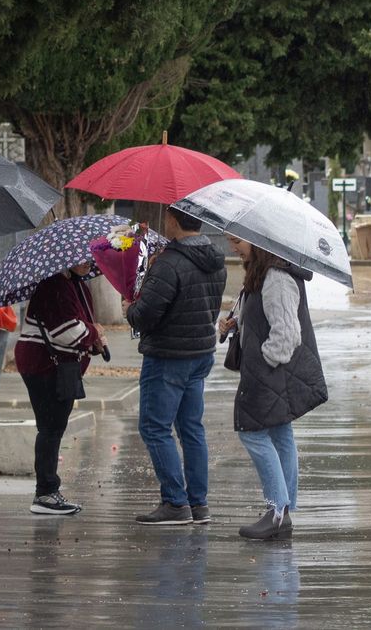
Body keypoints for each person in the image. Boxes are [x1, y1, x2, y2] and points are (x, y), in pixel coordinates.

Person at [124, 206, 228, 526]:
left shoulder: (170, 264)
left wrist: (130, 307)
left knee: (155, 428)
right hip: (200, 354)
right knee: (191, 429)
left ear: (172, 219)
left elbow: (145, 315)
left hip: (168, 356)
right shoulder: (216, 260)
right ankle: (198, 504)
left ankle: (174, 502)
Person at [219, 236, 327, 541]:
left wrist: (264, 361)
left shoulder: (277, 278)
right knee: (280, 434)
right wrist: (235, 323)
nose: (233, 247)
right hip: (271, 372)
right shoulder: (264, 273)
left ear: (259, 243)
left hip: (268, 373)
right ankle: (283, 512)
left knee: (252, 433)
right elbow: (263, 317)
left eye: (237, 241)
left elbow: (287, 333)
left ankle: (277, 510)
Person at [14, 262, 106, 515]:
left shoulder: (75, 285)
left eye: (89, 257)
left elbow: (80, 327)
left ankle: (47, 491)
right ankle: (45, 493)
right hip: (44, 365)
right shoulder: (54, 285)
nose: (86, 262)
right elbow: (67, 332)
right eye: (81, 258)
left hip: (59, 367)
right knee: (51, 428)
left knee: (54, 427)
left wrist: (93, 339)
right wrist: (93, 332)